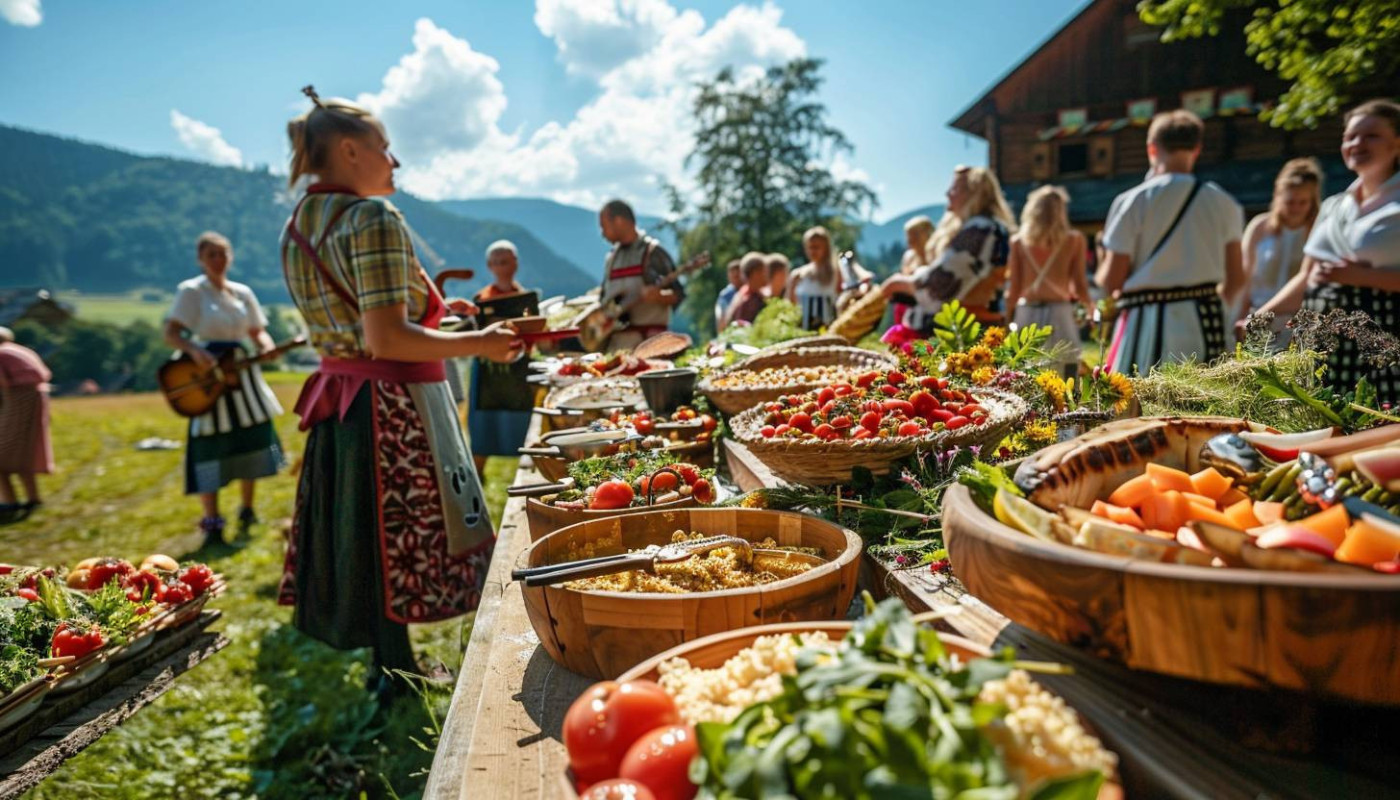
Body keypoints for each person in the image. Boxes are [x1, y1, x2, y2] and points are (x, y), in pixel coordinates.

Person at [277, 87, 522, 696]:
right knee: (400, 539)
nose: (395, 161)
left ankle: (388, 666)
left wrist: (438, 313)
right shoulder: (372, 217)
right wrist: (481, 343)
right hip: (393, 404)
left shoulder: (298, 225)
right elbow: (386, 336)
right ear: (349, 150)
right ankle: (396, 673)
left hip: (342, 400)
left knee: (364, 536)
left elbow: (361, 321)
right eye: (385, 148)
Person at [1250, 99, 1400, 403]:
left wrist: (1359, 276)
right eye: (1350, 137)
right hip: (1324, 345)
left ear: (1396, 143)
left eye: (1371, 136)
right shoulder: (1334, 205)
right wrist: (1261, 316)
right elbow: (1308, 277)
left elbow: (1342, 274)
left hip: (1384, 343)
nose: (1357, 144)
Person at [1097, 110, 1245, 375]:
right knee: (1205, 399)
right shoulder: (1223, 202)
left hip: (1145, 322)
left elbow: (1112, 280)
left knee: (1140, 399)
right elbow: (1236, 278)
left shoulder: (1133, 201)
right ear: (1197, 149)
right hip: (1206, 319)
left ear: (1152, 149)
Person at [163, 231, 284, 545]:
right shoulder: (191, 291)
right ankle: (212, 522)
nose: (218, 260)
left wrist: (267, 347)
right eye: (211, 255)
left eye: (223, 253)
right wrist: (194, 351)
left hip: (242, 375)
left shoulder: (242, 292)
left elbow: (258, 331)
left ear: (231, 257)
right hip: (205, 376)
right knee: (209, 446)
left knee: (253, 437)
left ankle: (247, 509)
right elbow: (172, 333)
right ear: (201, 259)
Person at [881, 166, 1015, 343]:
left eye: (954, 188)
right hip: (973, 328)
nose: (948, 194)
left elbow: (938, 285)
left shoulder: (981, 229)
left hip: (965, 334)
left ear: (972, 193)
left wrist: (900, 283)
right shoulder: (989, 228)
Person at [1005, 186, 1092, 379]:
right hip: (1060, 313)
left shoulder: (1018, 242)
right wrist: (1090, 310)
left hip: (1027, 313)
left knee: (1024, 372)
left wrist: (1007, 318)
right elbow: (1080, 285)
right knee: (1067, 371)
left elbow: (1014, 288)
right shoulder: (1074, 240)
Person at [1235, 158, 1324, 346]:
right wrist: (1240, 319)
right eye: (1290, 202)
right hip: (1256, 320)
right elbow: (1245, 280)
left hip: (1299, 325)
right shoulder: (1259, 227)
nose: (1296, 208)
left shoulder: (1319, 230)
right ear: (1279, 197)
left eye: (1303, 202)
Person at [467, 240, 533, 474]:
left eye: (505, 262)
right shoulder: (480, 298)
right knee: (483, 431)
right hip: (488, 373)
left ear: (515, 264)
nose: (501, 267)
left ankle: (527, 476)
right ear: (489, 266)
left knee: (526, 429)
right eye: (496, 263)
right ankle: (476, 479)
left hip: (518, 371)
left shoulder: (526, 300)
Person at [597, 199, 683, 351]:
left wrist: (659, 296)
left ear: (619, 221)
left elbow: (678, 294)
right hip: (617, 348)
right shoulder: (611, 259)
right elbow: (604, 300)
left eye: (604, 226)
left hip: (651, 347)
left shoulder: (653, 253)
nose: (602, 233)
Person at [0, 327, 51, 523]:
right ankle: (32, 498)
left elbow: (2, 382)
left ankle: (10, 502)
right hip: (37, 397)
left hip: (17, 399)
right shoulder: (21, 350)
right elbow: (45, 373)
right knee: (24, 452)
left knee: (3, 456)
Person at [786, 226, 843, 330]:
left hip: (830, 330)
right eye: (810, 247)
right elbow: (790, 306)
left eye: (816, 247)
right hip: (803, 331)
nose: (812, 251)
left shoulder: (837, 272)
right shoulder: (797, 275)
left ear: (826, 248)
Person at [725, 252, 770, 327]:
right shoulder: (747, 301)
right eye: (764, 271)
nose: (767, 275)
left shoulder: (757, 295)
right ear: (755, 273)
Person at [714, 259, 742, 332]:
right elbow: (720, 316)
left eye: (737, 276)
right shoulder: (725, 295)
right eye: (733, 276)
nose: (736, 279)